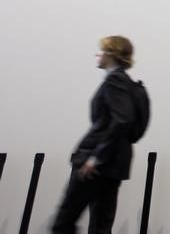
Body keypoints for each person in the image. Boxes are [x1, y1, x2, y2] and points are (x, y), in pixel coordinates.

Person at [52, 36, 139, 234]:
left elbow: (122, 120)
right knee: (101, 225)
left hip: (98, 162)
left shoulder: (114, 80)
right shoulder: (130, 84)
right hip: (115, 164)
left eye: (102, 51)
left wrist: (96, 157)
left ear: (111, 54)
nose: (98, 55)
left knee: (64, 221)